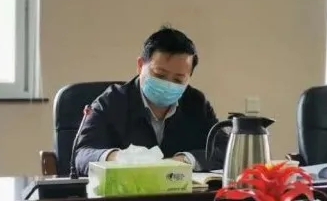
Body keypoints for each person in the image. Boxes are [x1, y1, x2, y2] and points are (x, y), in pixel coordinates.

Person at [72, 26, 226, 176]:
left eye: (178, 79)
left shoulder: (197, 103)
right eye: (159, 75)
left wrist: (183, 161)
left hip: (181, 192)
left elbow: (225, 150)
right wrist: (119, 158)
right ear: (140, 66)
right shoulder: (111, 102)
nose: (168, 84)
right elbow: (81, 155)